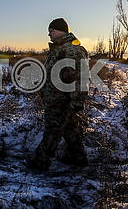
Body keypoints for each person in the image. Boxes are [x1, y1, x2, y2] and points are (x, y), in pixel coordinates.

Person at [27, 18, 89, 170]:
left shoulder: (71, 50)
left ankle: (40, 162)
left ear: (61, 30)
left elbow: (80, 78)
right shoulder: (59, 49)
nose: (49, 35)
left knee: (52, 131)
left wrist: (76, 101)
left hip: (61, 101)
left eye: (51, 31)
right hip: (58, 99)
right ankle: (78, 157)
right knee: (70, 129)